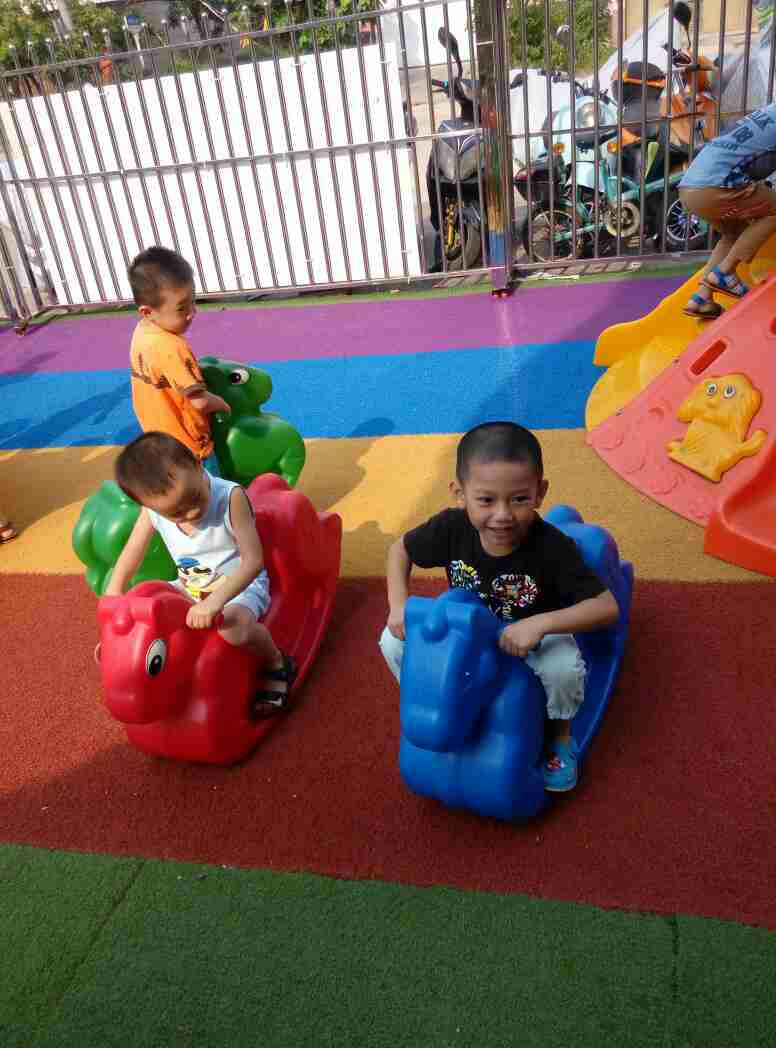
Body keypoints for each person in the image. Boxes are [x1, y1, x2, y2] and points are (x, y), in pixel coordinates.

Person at [378, 422, 620, 792]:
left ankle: (560, 735)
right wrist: (398, 605)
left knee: (563, 669)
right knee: (392, 641)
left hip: (533, 633)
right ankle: (442, 699)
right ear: (460, 494)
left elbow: (606, 607)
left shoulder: (552, 548)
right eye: (486, 500)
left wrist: (539, 625)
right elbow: (400, 550)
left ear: (540, 493)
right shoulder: (451, 528)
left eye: (519, 499)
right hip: (466, 634)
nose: (503, 515)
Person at [103, 431, 295, 714]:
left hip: (239, 586)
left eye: (194, 497)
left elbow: (253, 561)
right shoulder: (153, 511)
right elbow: (133, 549)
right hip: (189, 585)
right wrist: (114, 590)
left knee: (234, 628)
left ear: (197, 463)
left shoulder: (230, 497)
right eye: (175, 514)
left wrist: (216, 601)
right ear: (148, 506)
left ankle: (276, 663)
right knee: (140, 607)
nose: (191, 513)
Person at [128, 246, 230, 472]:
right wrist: (223, 404)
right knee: (211, 490)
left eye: (193, 301)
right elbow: (200, 402)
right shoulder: (173, 347)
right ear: (147, 311)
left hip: (159, 443)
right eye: (182, 308)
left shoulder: (141, 333)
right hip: (191, 448)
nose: (192, 312)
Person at [679, 103, 776, 319]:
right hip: (717, 185)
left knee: (734, 233)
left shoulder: (767, 113)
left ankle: (701, 298)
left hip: (689, 188)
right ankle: (725, 271)